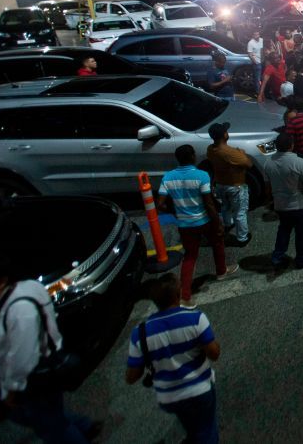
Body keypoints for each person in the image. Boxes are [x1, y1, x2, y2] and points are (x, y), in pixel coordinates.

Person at [0, 254, 98, 444]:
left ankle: (78, 431)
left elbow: (23, 360)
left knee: (51, 427)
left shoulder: (19, 312)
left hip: (33, 379)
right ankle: (84, 426)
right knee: (49, 416)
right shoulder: (28, 288)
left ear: (0, 282)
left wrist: (11, 390)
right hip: (42, 371)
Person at [125, 273, 221, 444]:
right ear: (178, 295)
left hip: (169, 397)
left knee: (190, 424)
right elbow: (214, 354)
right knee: (207, 430)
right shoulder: (196, 319)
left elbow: (132, 377)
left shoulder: (139, 333)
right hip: (199, 390)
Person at [159, 145, 238, 306]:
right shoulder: (201, 176)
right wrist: (218, 222)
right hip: (203, 220)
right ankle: (221, 271)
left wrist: (177, 212)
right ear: (193, 157)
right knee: (217, 242)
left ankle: (185, 295)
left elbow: (160, 204)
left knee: (190, 256)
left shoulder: (167, 177)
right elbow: (209, 203)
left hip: (184, 224)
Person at [264, 133, 303, 269]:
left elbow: (268, 186)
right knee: (302, 233)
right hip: (299, 205)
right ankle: (302, 258)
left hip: (281, 206)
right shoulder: (299, 162)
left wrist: (271, 201)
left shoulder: (268, 162)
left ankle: (277, 257)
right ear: (291, 145)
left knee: (283, 230)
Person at [206, 122, 252, 246]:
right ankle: (242, 238)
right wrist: (242, 153)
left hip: (220, 184)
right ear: (224, 135)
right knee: (240, 212)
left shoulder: (210, 149)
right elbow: (248, 164)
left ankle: (227, 224)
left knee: (225, 207)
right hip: (235, 186)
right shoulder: (230, 152)